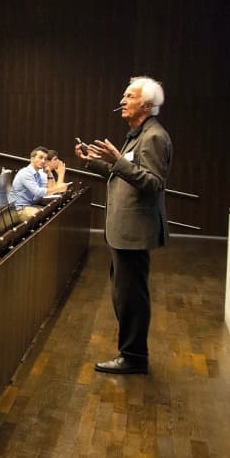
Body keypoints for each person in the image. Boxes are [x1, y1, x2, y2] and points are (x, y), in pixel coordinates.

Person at [77, 76, 172, 375]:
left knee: (131, 296)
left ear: (146, 104)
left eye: (128, 96)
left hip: (134, 231)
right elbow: (124, 173)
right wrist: (95, 162)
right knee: (123, 294)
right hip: (123, 231)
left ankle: (133, 356)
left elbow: (153, 183)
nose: (122, 101)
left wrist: (118, 161)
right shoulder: (135, 134)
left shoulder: (154, 137)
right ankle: (131, 353)